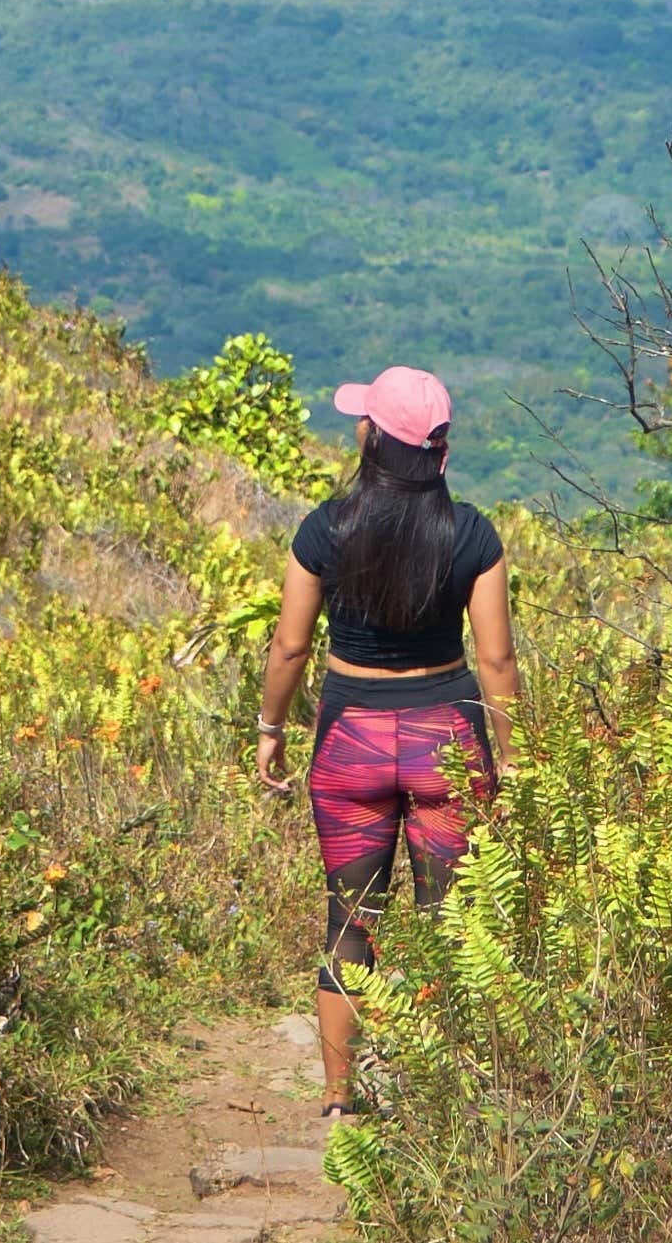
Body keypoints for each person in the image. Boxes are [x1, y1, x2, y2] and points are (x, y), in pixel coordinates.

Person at [249, 363, 513, 1119]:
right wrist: (515, 756)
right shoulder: (472, 535)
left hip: (350, 744)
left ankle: (339, 1095)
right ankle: (447, 1098)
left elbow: (290, 647)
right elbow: (496, 660)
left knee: (351, 919)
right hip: (447, 742)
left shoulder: (324, 530)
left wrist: (270, 727)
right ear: (438, 447)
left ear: (372, 440)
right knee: (450, 923)